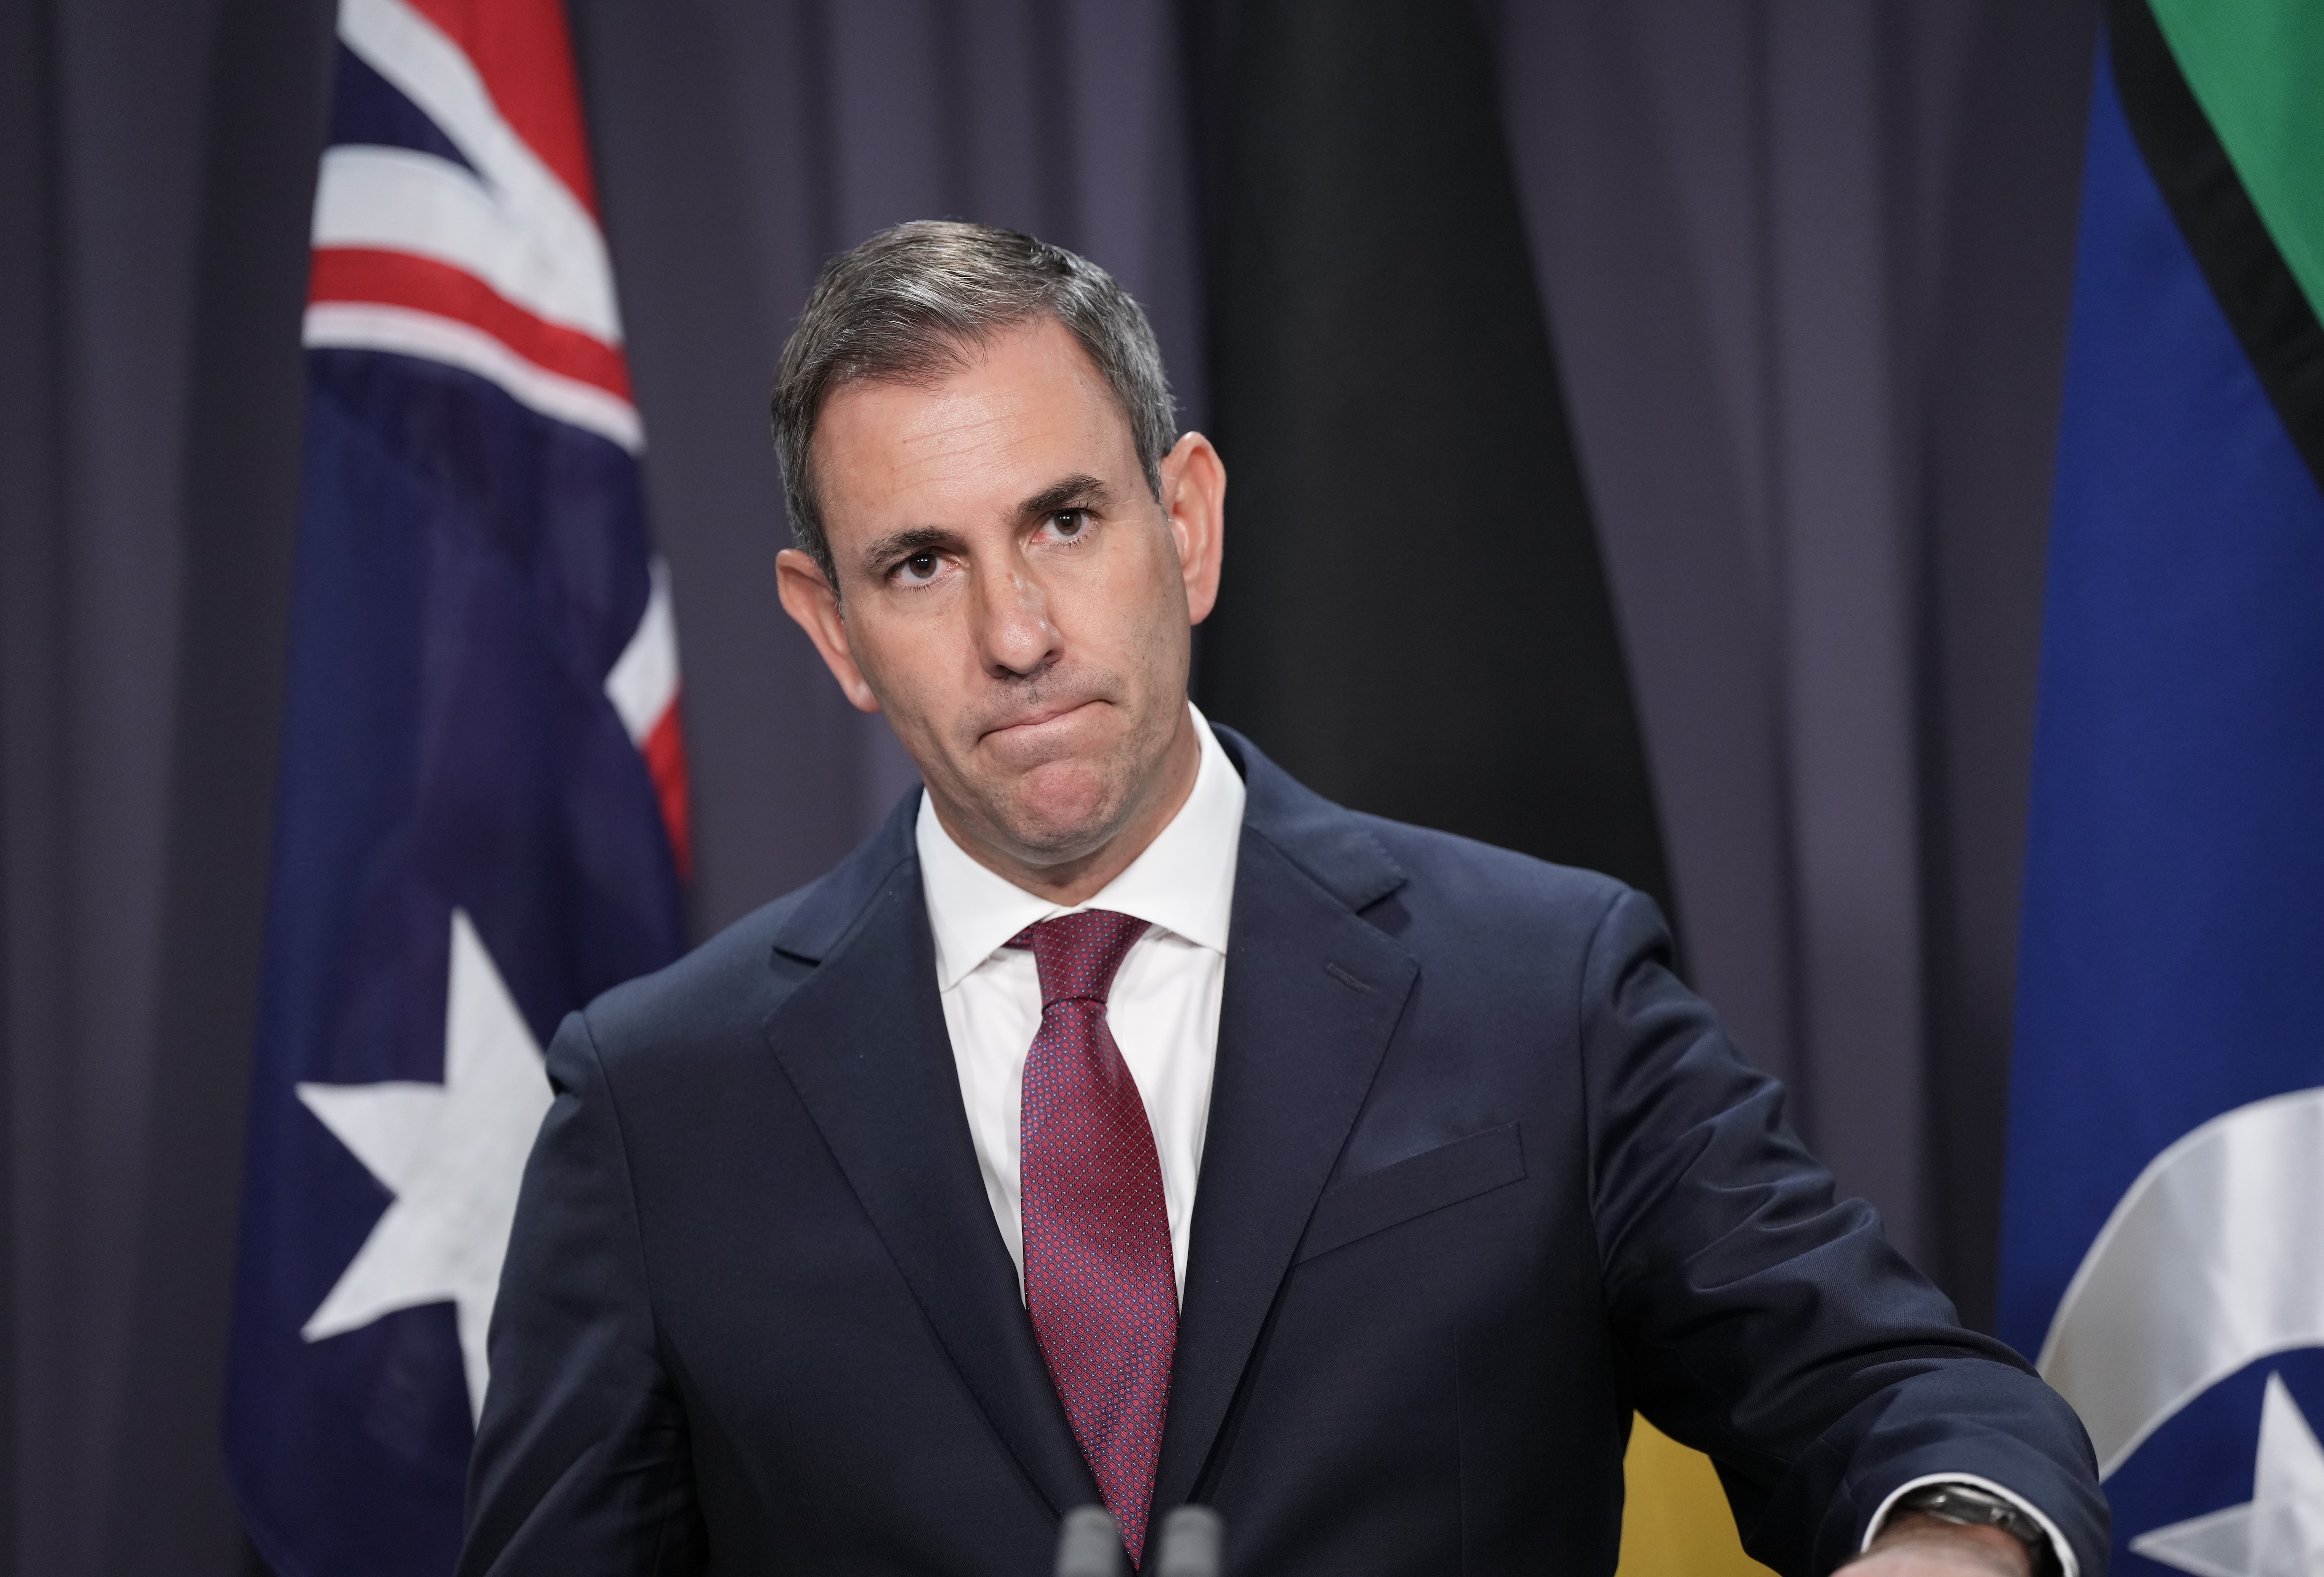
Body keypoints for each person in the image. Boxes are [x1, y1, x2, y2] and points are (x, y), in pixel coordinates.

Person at [457, 221, 2106, 1577]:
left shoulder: (1547, 990)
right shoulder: (660, 1106)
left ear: (1186, 524)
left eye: (1066, 520)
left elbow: (1901, 1393)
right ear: (830, 629)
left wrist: (1948, 1547)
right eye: (921, 564)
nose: (1016, 633)